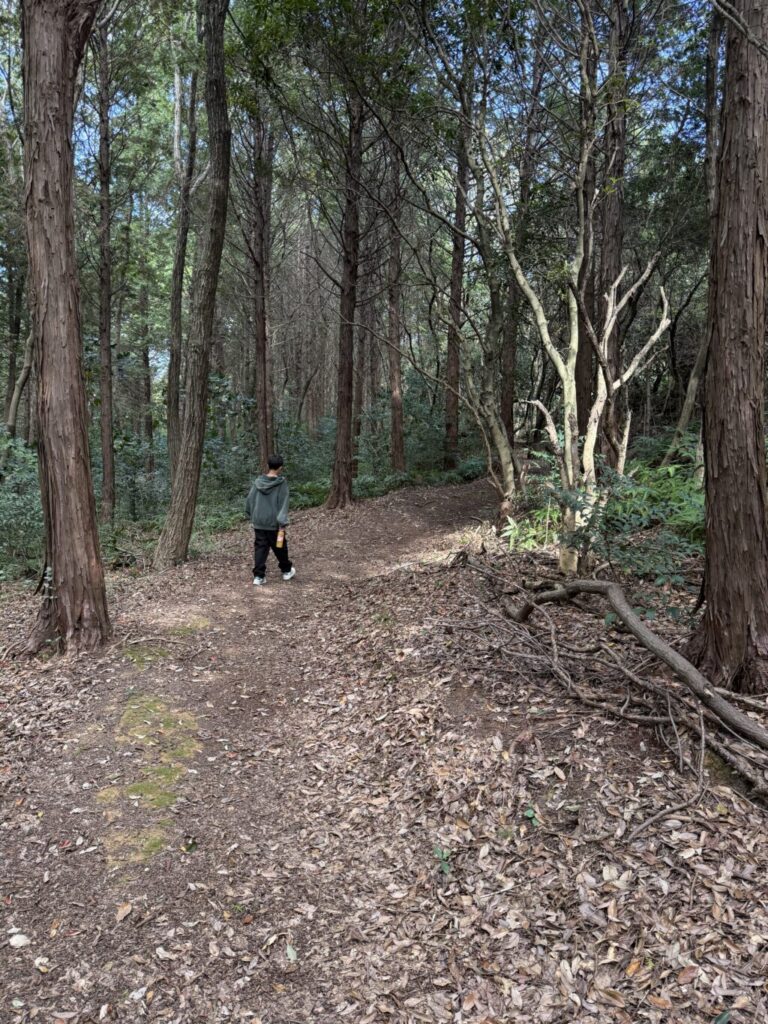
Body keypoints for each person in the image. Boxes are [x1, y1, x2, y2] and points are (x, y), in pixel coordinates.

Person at [245, 454, 296, 586]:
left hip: (259, 522)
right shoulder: (281, 483)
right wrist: (282, 521)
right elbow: (283, 503)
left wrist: (251, 514)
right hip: (275, 523)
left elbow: (250, 500)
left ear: (268, 466)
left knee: (260, 548)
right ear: (280, 468)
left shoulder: (257, 482)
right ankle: (286, 571)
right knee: (280, 546)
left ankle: (258, 576)